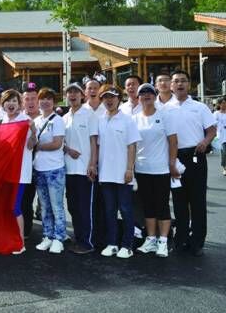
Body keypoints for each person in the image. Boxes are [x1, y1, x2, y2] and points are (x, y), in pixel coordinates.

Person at [168, 69, 216, 256]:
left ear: (189, 84)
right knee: (178, 200)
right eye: (176, 81)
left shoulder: (199, 107)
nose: (179, 84)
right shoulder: (165, 108)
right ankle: (180, 239)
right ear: (171, 86)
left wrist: (205, 141)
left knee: (197, 200)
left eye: (183, 81)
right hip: (174, 157)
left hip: (196, 156)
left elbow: (211, 130)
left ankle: (197, 241)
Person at [94, 84, 141, 259]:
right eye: (105, 97)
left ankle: (127, 245)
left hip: (123, 174)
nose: (109, 100)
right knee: (109, 211)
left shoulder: (127, 120)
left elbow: (132, 146)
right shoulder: (100, 120)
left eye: (112, 97)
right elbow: (97, 147)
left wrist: (129, 169)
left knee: (126, 210)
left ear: (119, 99)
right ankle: (112, 243)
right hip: (105, 174)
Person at [133, 83, 179, 258]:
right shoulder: (134, 118)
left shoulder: (164, 116)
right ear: (138, 98)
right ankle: (151, 239)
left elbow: (173, 142)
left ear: (155, 96)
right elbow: (131, 146)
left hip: (161, 169)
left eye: (150, 93)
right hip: (141, 169)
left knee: (162, 205)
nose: (146, 96)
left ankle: (163, 241)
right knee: (148, 206)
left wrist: (172, 164)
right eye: (142, 93)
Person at [62, 82, 99, 255]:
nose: (72, 95)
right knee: (72, 206)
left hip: (85, 169)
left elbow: (94, 142)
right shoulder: (64, 117)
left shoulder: (89, 114)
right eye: (69, 92)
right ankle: (78, 238)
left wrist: (92, 164)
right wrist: (68, 150)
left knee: (85, 208)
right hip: (69, 170)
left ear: (82, 95)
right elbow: (61, 143)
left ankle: (87, 242)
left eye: (75, 92)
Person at [1, 89, 37, 254]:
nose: (11, 104)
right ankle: (10, 237)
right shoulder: (2, 120)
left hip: (20, 172)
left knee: (15, 207)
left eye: (14, 101)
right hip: (5, 172)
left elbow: (31, 145)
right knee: (6, 206)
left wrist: (33, 131)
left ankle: (20, 242)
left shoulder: (25, 121)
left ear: (19, 104)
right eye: (8, 101)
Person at [33, 88, 66, 254]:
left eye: (49, 99)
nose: (45, 102)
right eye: (42, 99)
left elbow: (57, 144)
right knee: (44, 206)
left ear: (54, 102)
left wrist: (39, 146)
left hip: (54, 169)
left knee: (56, 206)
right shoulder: (36, 121)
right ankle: (47, 235)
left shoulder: (58, 120)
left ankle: (59, 237)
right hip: (39, 168)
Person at [21, 82, 40, 236]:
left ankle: (52, 234)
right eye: (27, 99)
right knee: (26, 199)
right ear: (23, 101)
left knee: (47, 201)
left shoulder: (47, 116)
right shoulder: (19, 119)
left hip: (45, 165)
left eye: (33, 98)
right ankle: (26, 230)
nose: (30, 102)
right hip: (25, 166)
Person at [213, 97, 226, 176]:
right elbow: (213, 124)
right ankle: (224, 167)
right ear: (219, 104)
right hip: (221, 135)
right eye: (222, 103)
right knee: (224, 152)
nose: (224, 104)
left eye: (225, 103)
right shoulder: (216, 113)